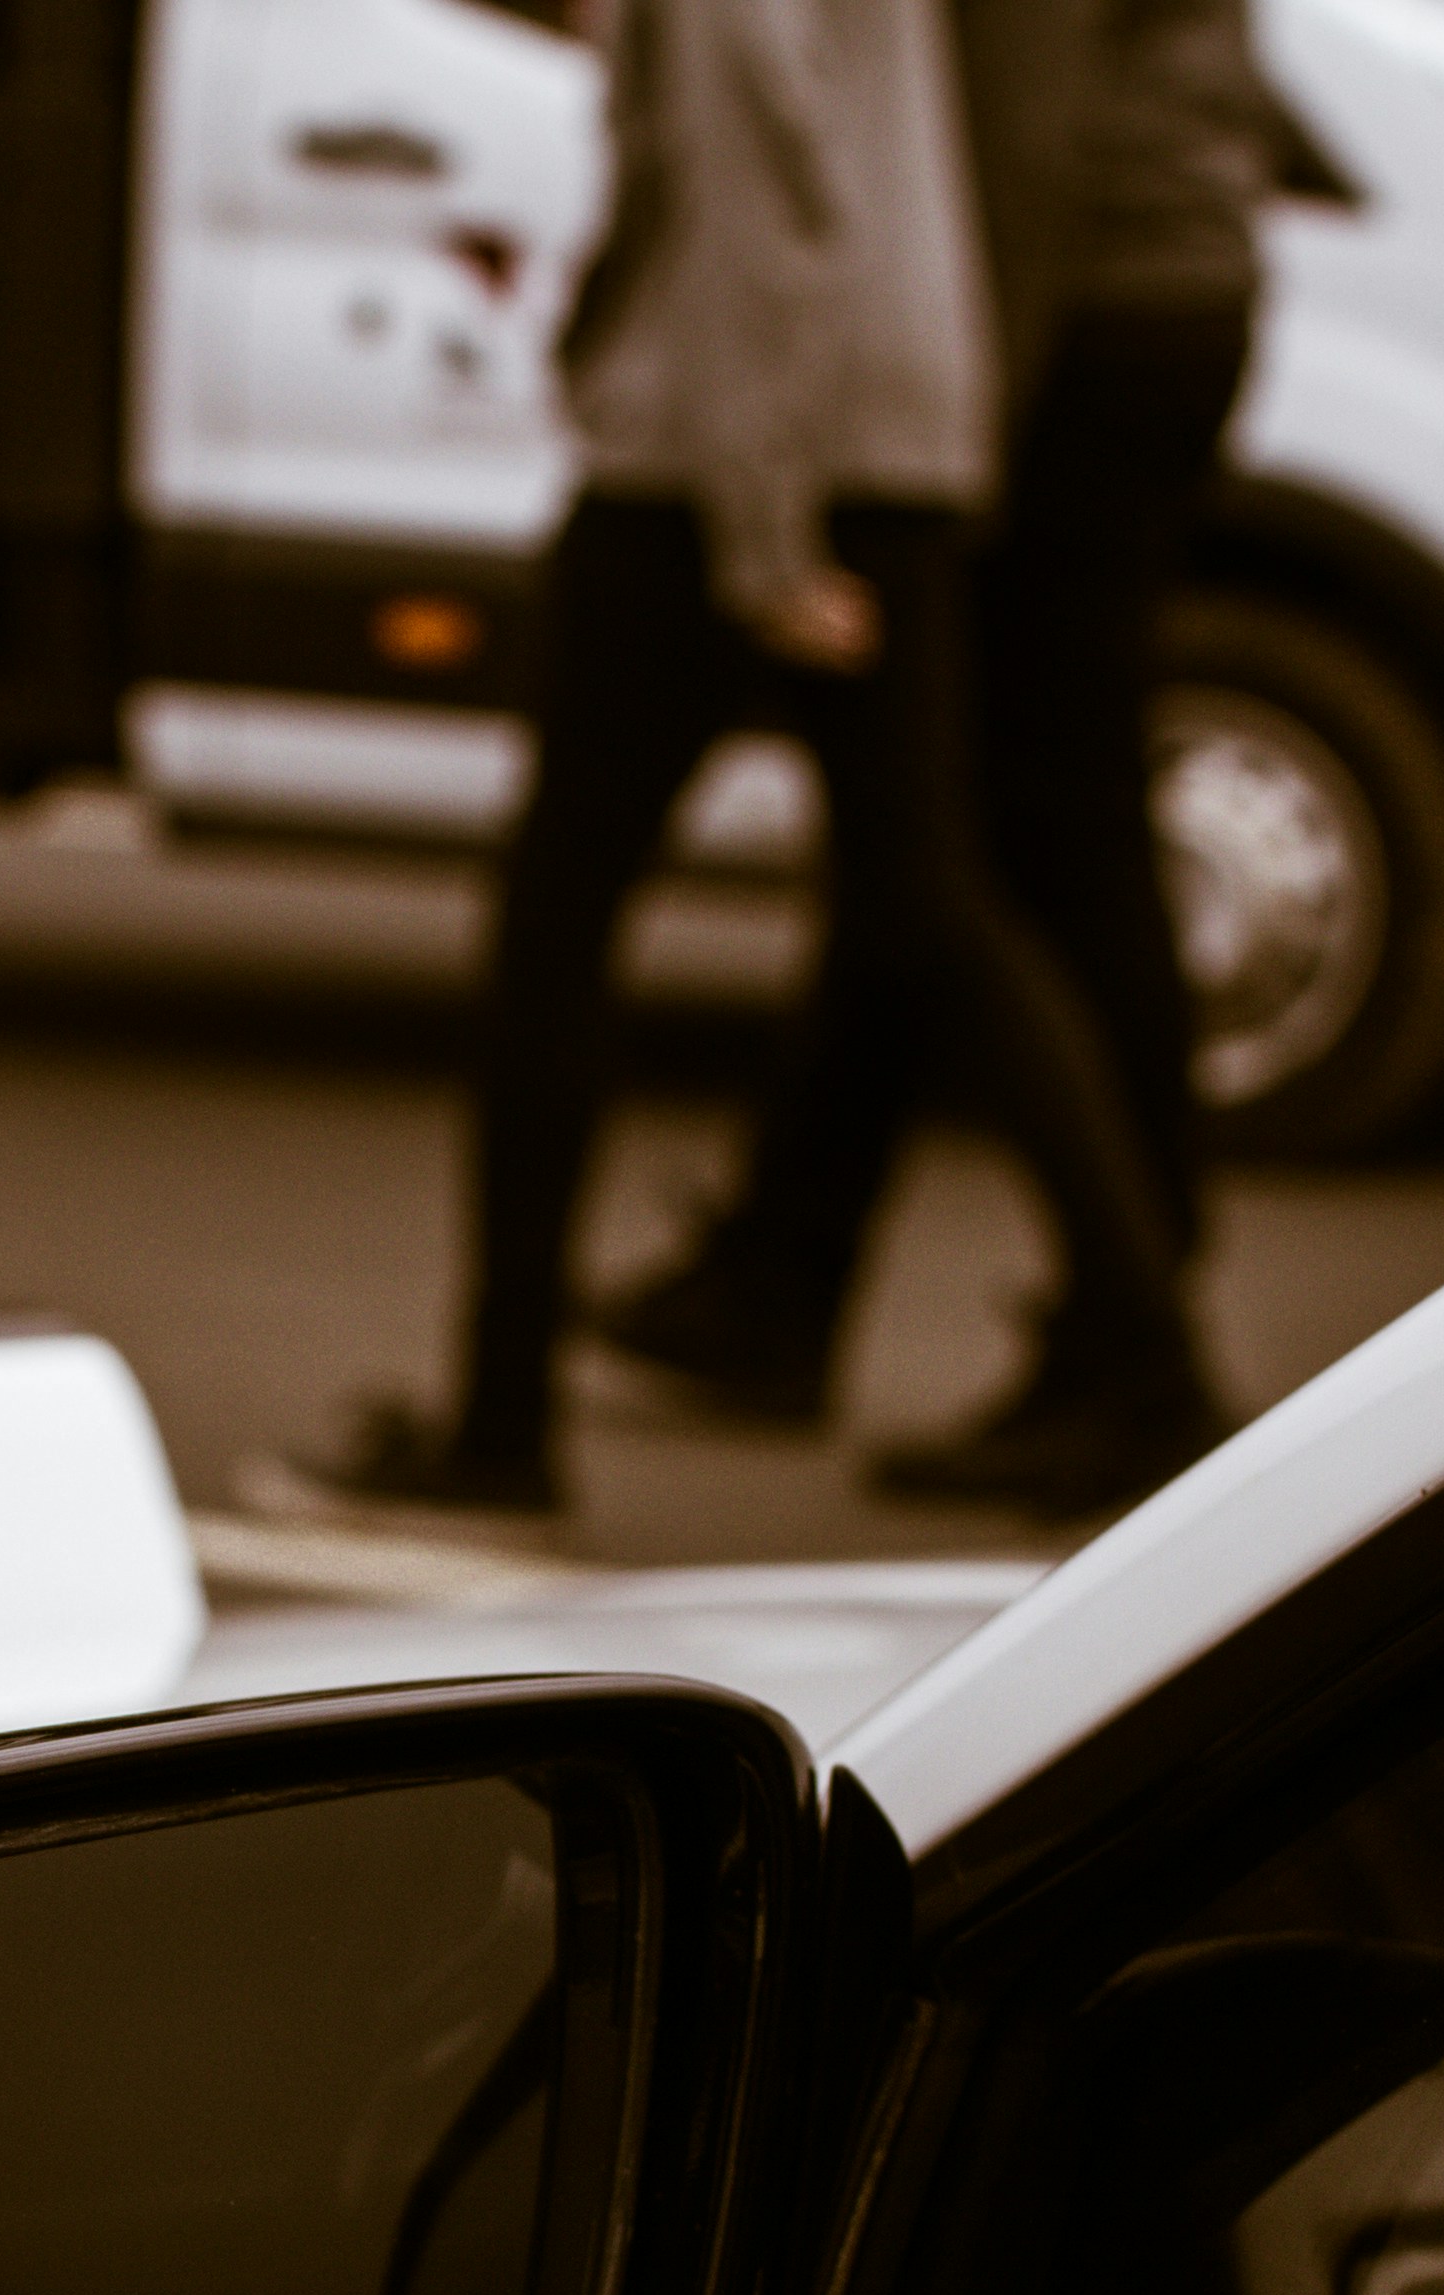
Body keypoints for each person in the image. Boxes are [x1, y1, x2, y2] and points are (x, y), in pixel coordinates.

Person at [261, 0, 1211, 1531]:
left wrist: (762, 528)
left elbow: (760, 176)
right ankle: (1148, 1345)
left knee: (562, 916)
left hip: (715, 458)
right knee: (929, 902)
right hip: (899, 429)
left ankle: (500, 1427)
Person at [593, 0, 1273, 1510]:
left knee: (1035, 838)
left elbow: (1019, 137)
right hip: (1161, 279)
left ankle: (1124, 1334)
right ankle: (787, 1266)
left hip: (1073, 314)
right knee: (936, 833)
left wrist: (949, 459)